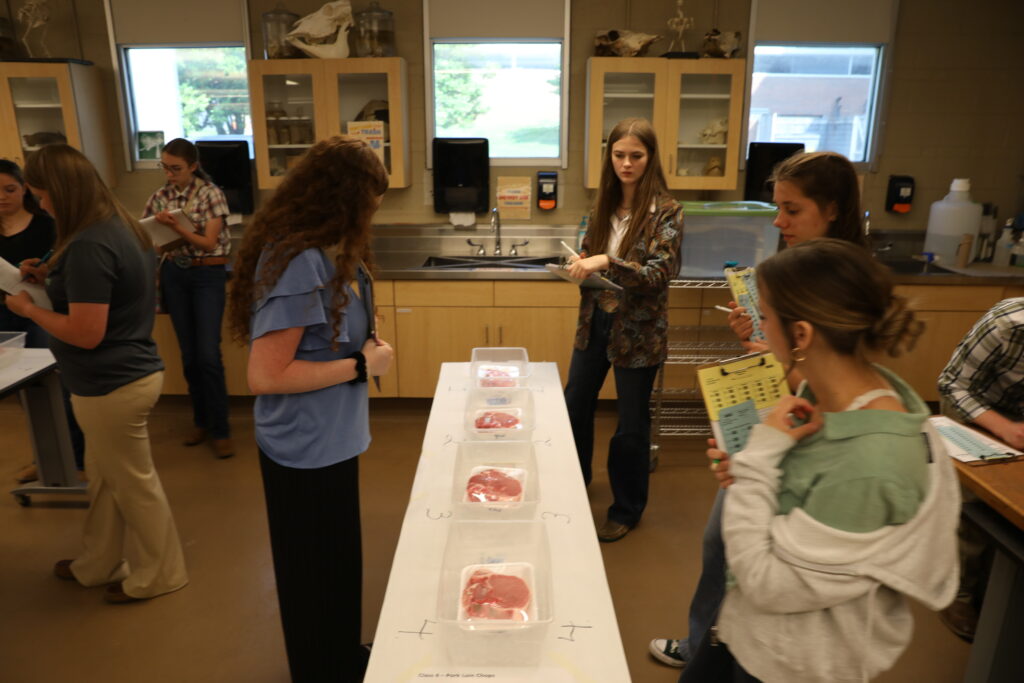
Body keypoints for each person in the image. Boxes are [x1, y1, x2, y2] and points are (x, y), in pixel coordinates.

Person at [680, 238, 959, 682]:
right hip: (759, 637)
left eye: (765, 317)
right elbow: (806, 492)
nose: (759, 327)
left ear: (802, 335)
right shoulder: (833, 390)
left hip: (794, 663)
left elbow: (765, 582)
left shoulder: (870, 462)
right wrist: (760, 473)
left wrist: (758, 465)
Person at [651, 150, 871, 669]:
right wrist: (759, 340)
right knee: (721, 544)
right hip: (772, 429)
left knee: (757, 557)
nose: (778, 222)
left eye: (792, 210)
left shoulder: (848, 288)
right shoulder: (796, 272)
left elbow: (834, 387)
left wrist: (778, 361)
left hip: (809, 447)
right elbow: (792, 361)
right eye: (777, 208)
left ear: (832, 210)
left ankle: (730, 656)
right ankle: (705, 647)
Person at [227, 135, 394, 682]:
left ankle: (341, 657)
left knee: (339, 566)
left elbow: (326, 334)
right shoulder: (298, 261)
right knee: (312, 577)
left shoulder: (331, 251)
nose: (371, 215)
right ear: (343, 199)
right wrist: (360, 365)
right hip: (303, 448)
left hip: (334, 439)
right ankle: (320, 668)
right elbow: (266, 375)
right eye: (370, 203)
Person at [6, 144, 187, 603]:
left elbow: (87, 333)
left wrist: (28, 309)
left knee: (134, 485)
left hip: (111, 382)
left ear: (62, 192)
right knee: (106, 479)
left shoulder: (89, 244)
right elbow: (100, 293)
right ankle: (99, 562)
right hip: (120, 376)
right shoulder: (116, 225)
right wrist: (49, 278)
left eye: (42, 196)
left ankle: (162, 574)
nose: (41, 205)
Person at [563, 117, 684, 543]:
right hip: (594, 321)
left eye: (636, 155)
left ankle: (626, 509)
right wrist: (580, 264)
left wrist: (607, 262)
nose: (626, 163)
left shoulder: (667, 211)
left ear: (650, 158)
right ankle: (573, 482)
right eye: (619, 155)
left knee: (631, 422)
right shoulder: (600, 206)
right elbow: (587, 252)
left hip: (639, 330)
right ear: (609, 157)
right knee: (574, 406)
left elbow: (659, 273)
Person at [935, 297, 1024, 642]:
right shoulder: (1006, 324)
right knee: (972, 500)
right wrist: (1005, 429)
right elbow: (952, 384)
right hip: (973, 406)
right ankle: (957, 594)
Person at [144, 138, 234, 458]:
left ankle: (221, 429)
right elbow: (149, 239)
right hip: (175, 275)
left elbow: (208, 243)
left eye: (176, 168)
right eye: (165, 167)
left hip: (207, 274)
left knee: (208, 354)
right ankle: (201, 421)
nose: (169, 174)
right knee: (190, 356)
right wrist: (158, 234)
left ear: (193, 166)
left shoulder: (210, 193)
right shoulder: (159, 197)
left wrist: (177, 227)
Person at [0, 159, 85, 481]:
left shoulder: (46, 225)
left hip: (41, 314)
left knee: (58, 391)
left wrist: (39, 273)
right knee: (26, 393)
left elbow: (62, 273)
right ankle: (46, 458)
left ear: (25, 189)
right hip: (5, 316)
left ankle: (77, 460)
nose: (2, 197)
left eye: (9, 189)